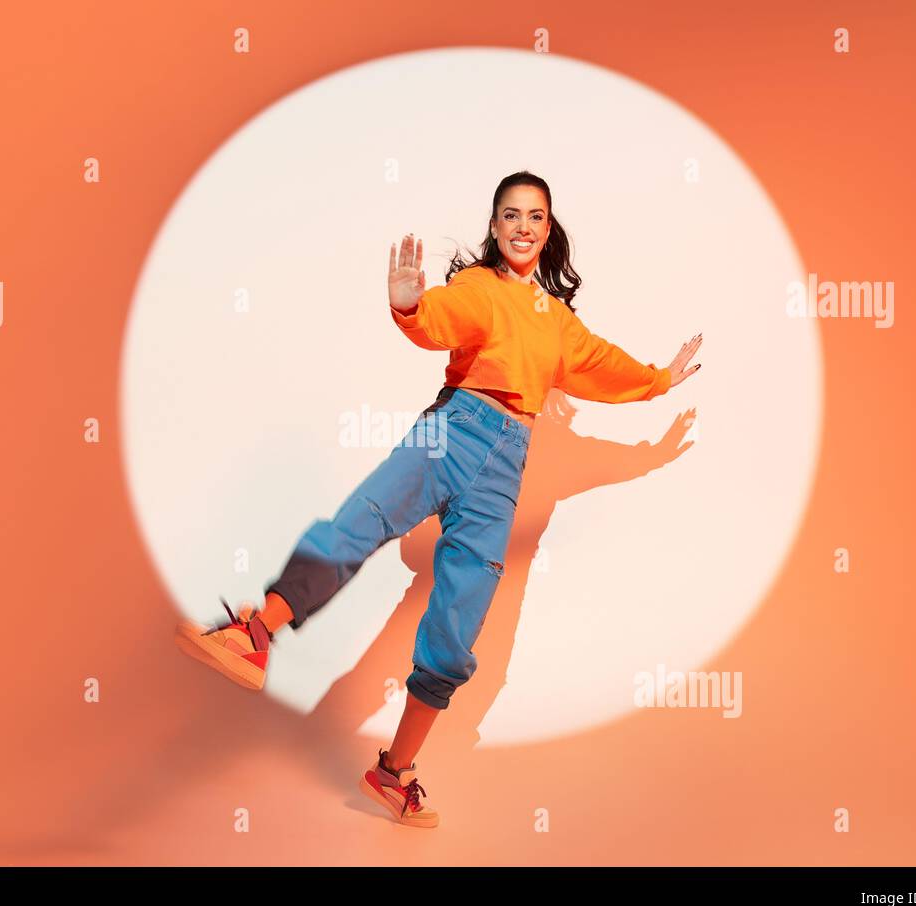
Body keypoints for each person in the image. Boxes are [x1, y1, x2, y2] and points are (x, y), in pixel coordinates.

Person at [176, 171, 703, 827]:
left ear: (548, 229)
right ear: (493, 226)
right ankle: (253, 636)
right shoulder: (477, 289)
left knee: (459, 626)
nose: (522, 227)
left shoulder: (557, 323)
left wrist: (660, 381)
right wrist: (409, 307)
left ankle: (393, 774)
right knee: (358, 525)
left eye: (535, 216)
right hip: (451, 429)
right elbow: (437, 320)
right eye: (510, 215)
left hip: (506, 466)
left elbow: (604, 364)